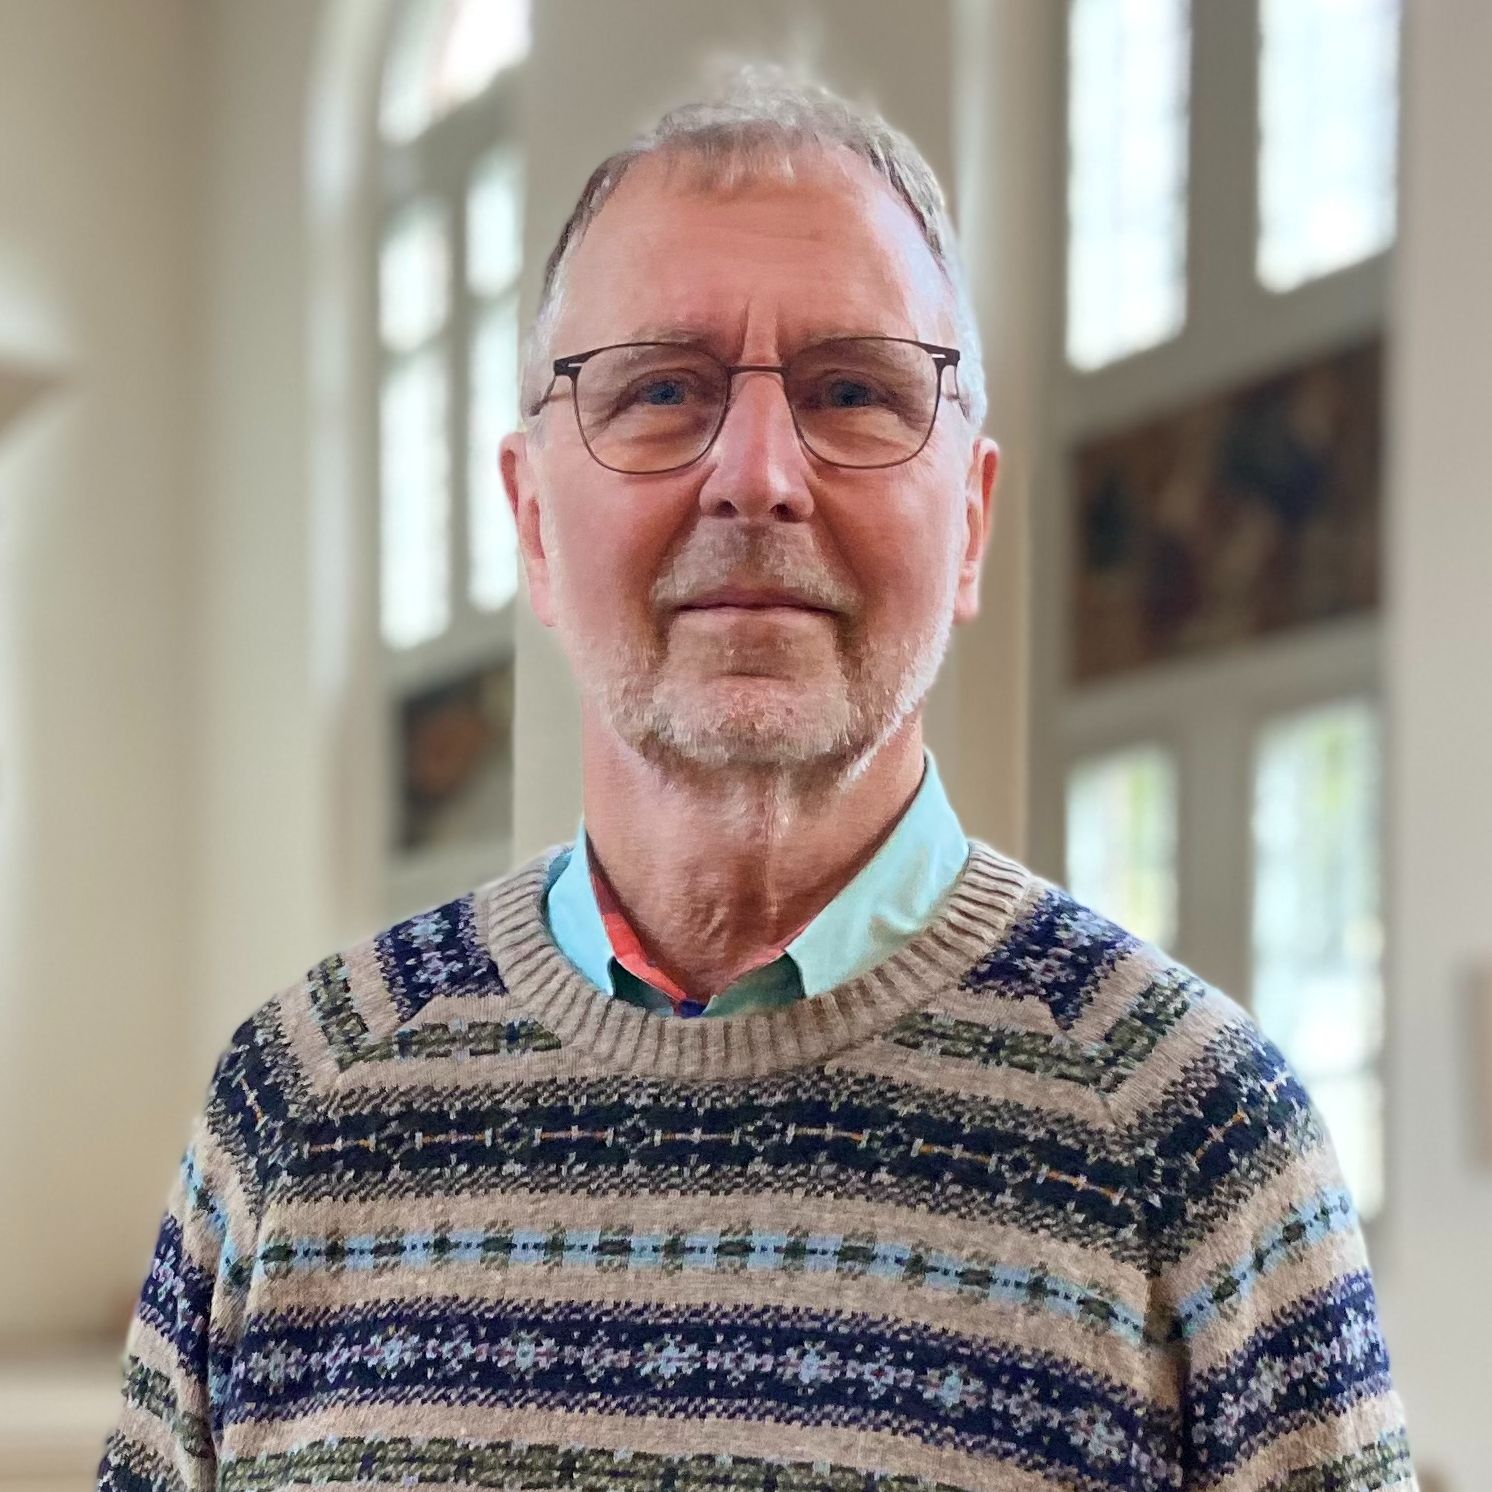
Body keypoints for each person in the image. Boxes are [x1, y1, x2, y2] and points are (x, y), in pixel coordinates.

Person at [97, 64, 1415, 1492]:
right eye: (662, 391)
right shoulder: (299, 1102)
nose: (758, 474)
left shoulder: (1197, 1139)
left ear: (972, 524)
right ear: (533, 522)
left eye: (855, 391)